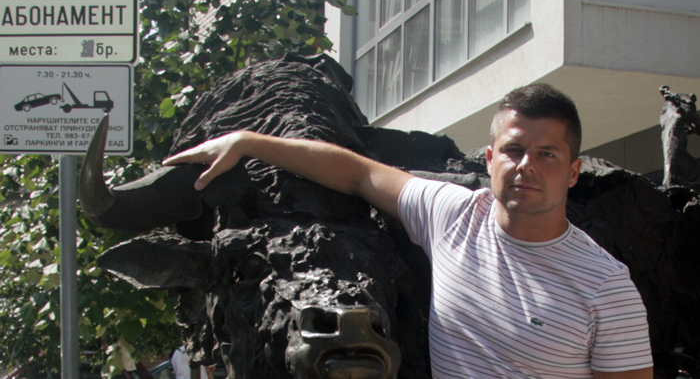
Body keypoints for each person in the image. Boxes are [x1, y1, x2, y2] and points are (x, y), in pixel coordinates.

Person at [163, 84, 653, 378]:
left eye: (547, 154)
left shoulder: (606, 287)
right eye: (513, 150)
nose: (526, 165)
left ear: (573, 171)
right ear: (489, 159)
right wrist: (249, 142)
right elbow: (357, 173)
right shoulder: (453, 216)